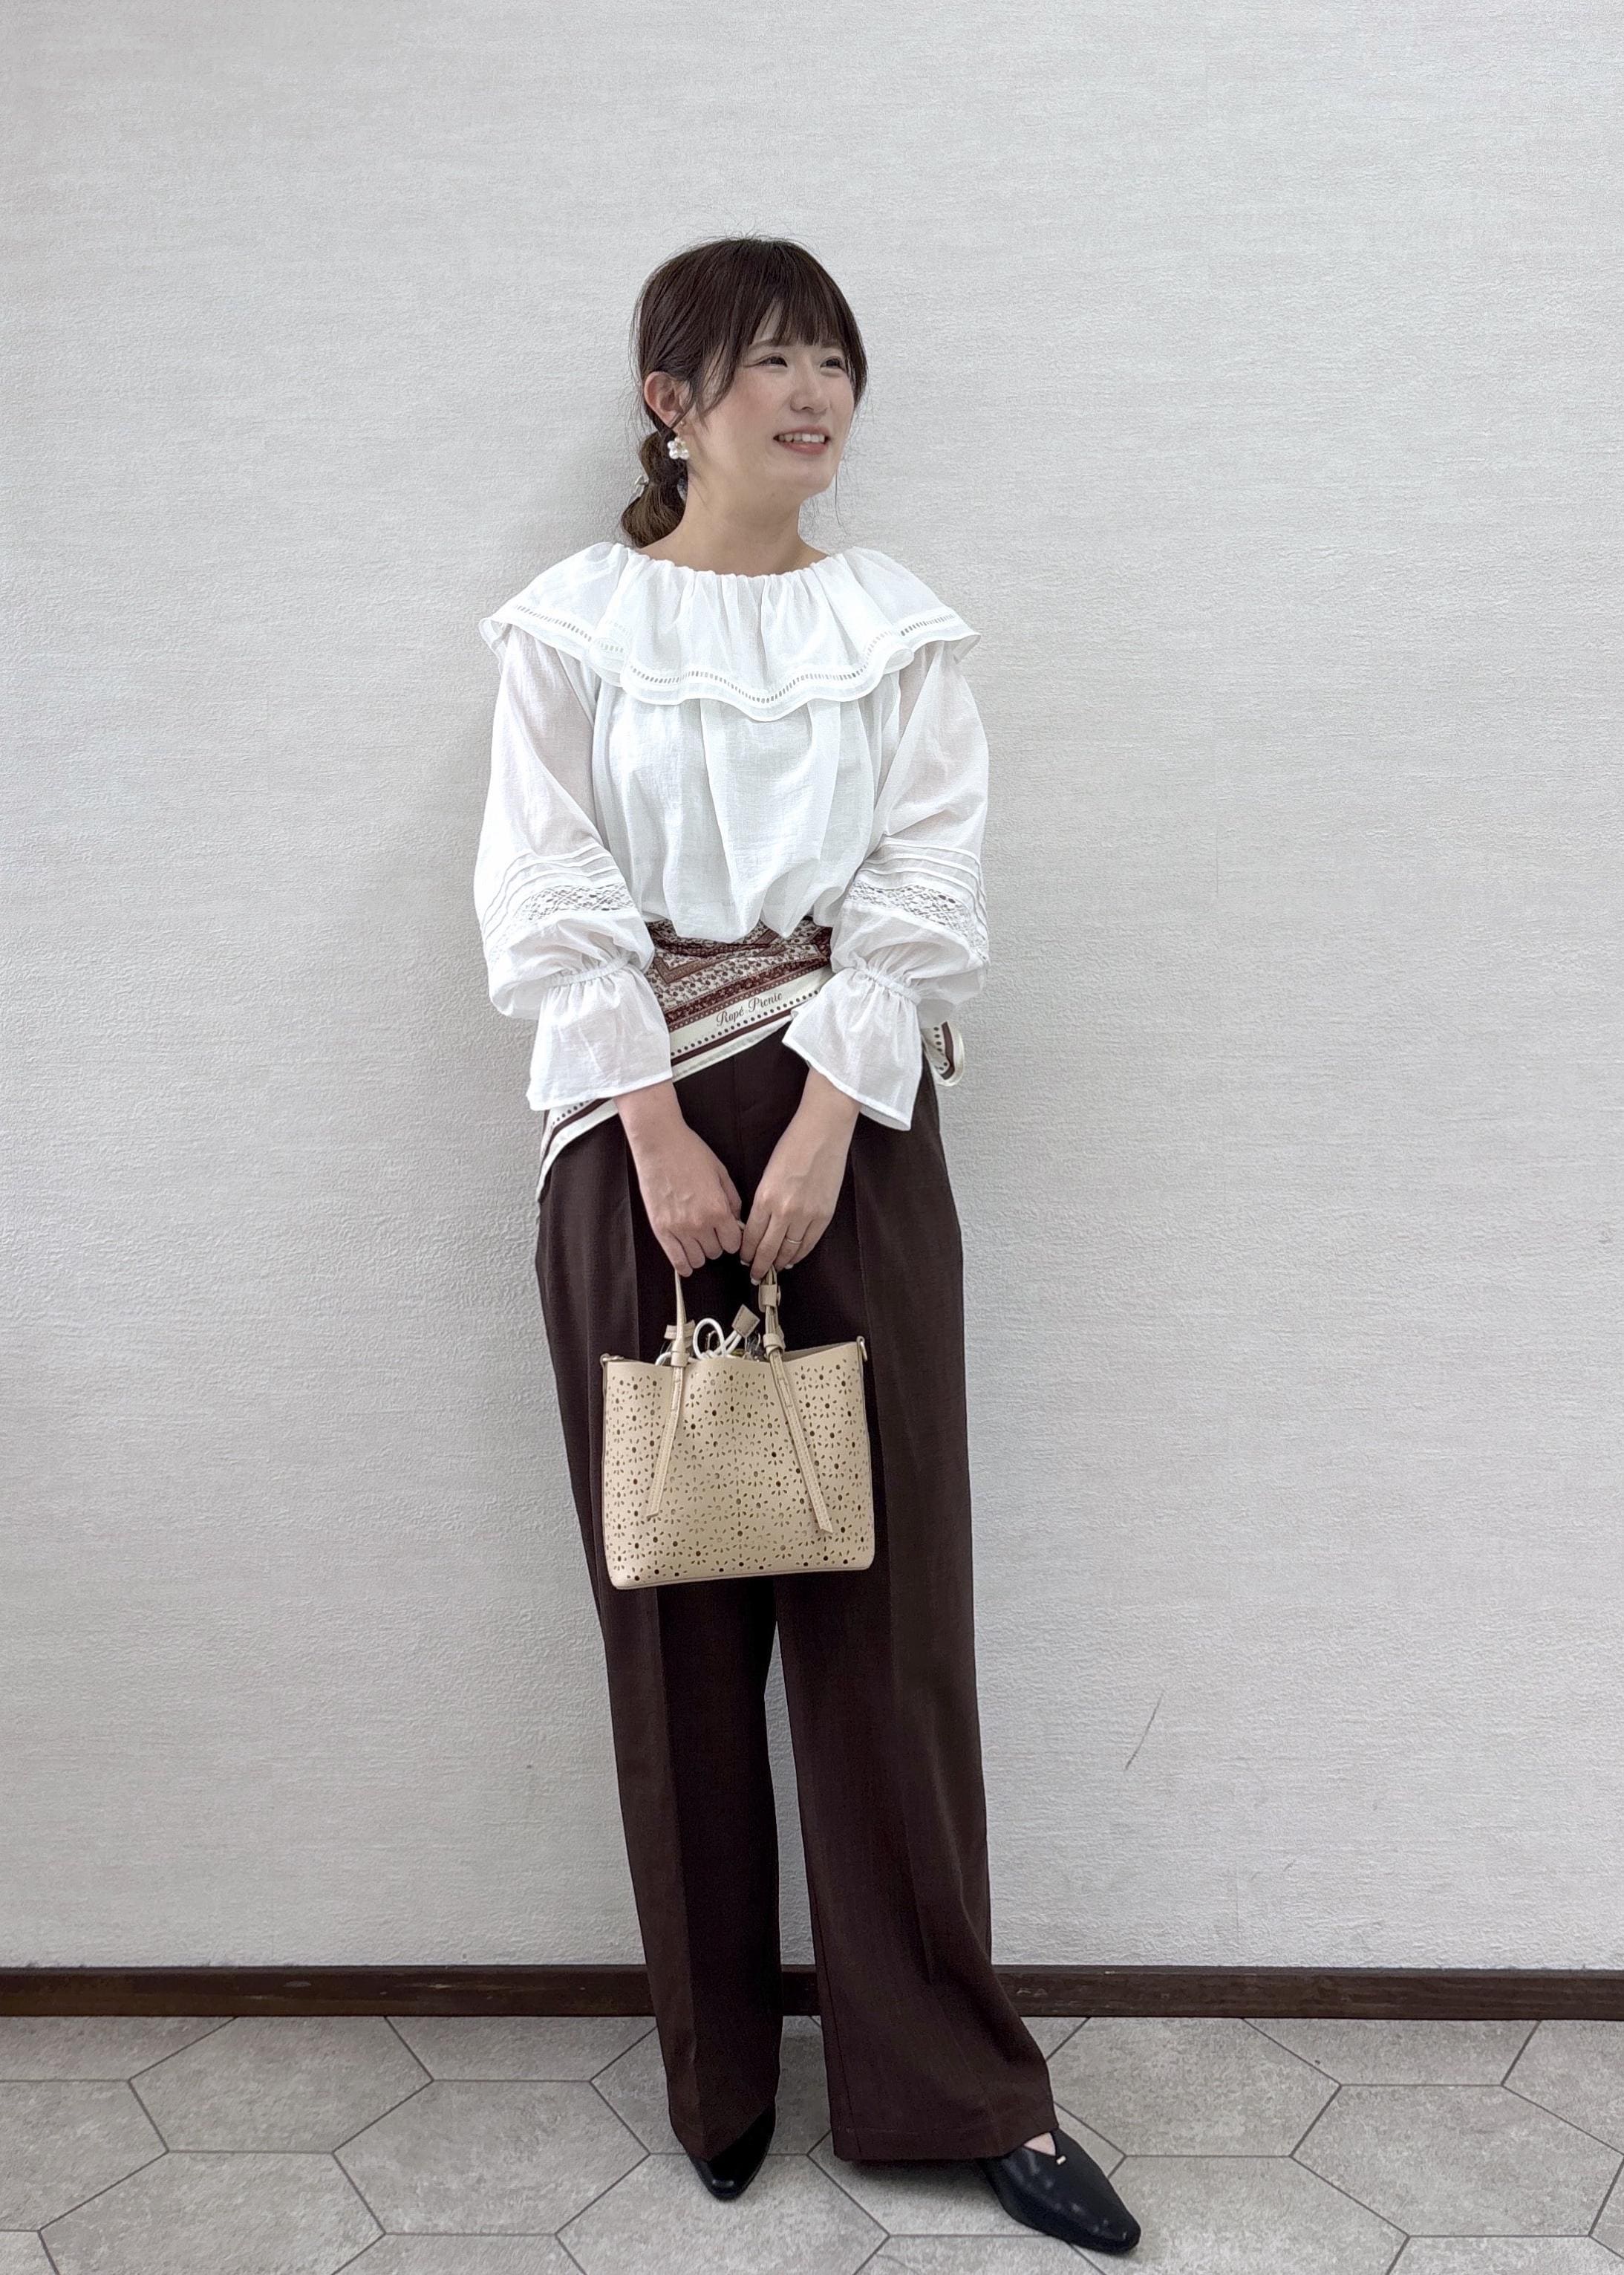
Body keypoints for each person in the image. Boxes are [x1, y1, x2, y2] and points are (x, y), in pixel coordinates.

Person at [473, 235, 1140, 2256]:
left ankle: (951, 2086)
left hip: (860, 1131)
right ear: (670, 400)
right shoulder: (569, 629)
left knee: (891, 1621)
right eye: (771, 359)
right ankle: (722, 2076)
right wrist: (658, 1132)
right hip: (632, 1135)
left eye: (836, 359)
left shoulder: (894, 629)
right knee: (673, 1613)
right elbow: (545, 889)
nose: (816, 392)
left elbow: (927, 880)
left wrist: (835, 1111)